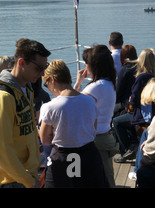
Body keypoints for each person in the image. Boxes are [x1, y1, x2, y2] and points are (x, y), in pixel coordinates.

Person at [39, 60, 109, 188]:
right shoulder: (90, 101)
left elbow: (44, 139)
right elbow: (93, 129)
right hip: (89, 155)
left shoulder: (50, 107)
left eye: (46, 83)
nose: (47, 87)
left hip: (63, 157)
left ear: (52, 79)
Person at [0, 38, 51, 188]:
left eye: (45, 67)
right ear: (21, 63)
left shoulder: (26, 89)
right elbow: (3, 149)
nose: (43, 73)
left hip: (28, 174)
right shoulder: (4, 97)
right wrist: (28, 181)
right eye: (39, 68)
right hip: (13, 180)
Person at [74, 44, 119, 187]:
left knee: (100, 179)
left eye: (87, 63)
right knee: (106, 176)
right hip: (104, 134)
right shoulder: (109, 83)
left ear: (94, 66)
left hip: (95, 139)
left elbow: (74, 106)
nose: (85, 66)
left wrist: (77, 83)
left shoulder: (95, 87)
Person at [113, 48, 155, 163]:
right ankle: (133, 144)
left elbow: (134, 100)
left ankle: (128, 149)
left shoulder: (141, 77)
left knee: (117, 122)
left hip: (143, 115)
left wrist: (130, 102)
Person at [114, 44, 138, 117]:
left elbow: (118, 93)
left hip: (125, 103)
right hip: (137, 101)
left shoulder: (124, 71)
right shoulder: (140, 68)